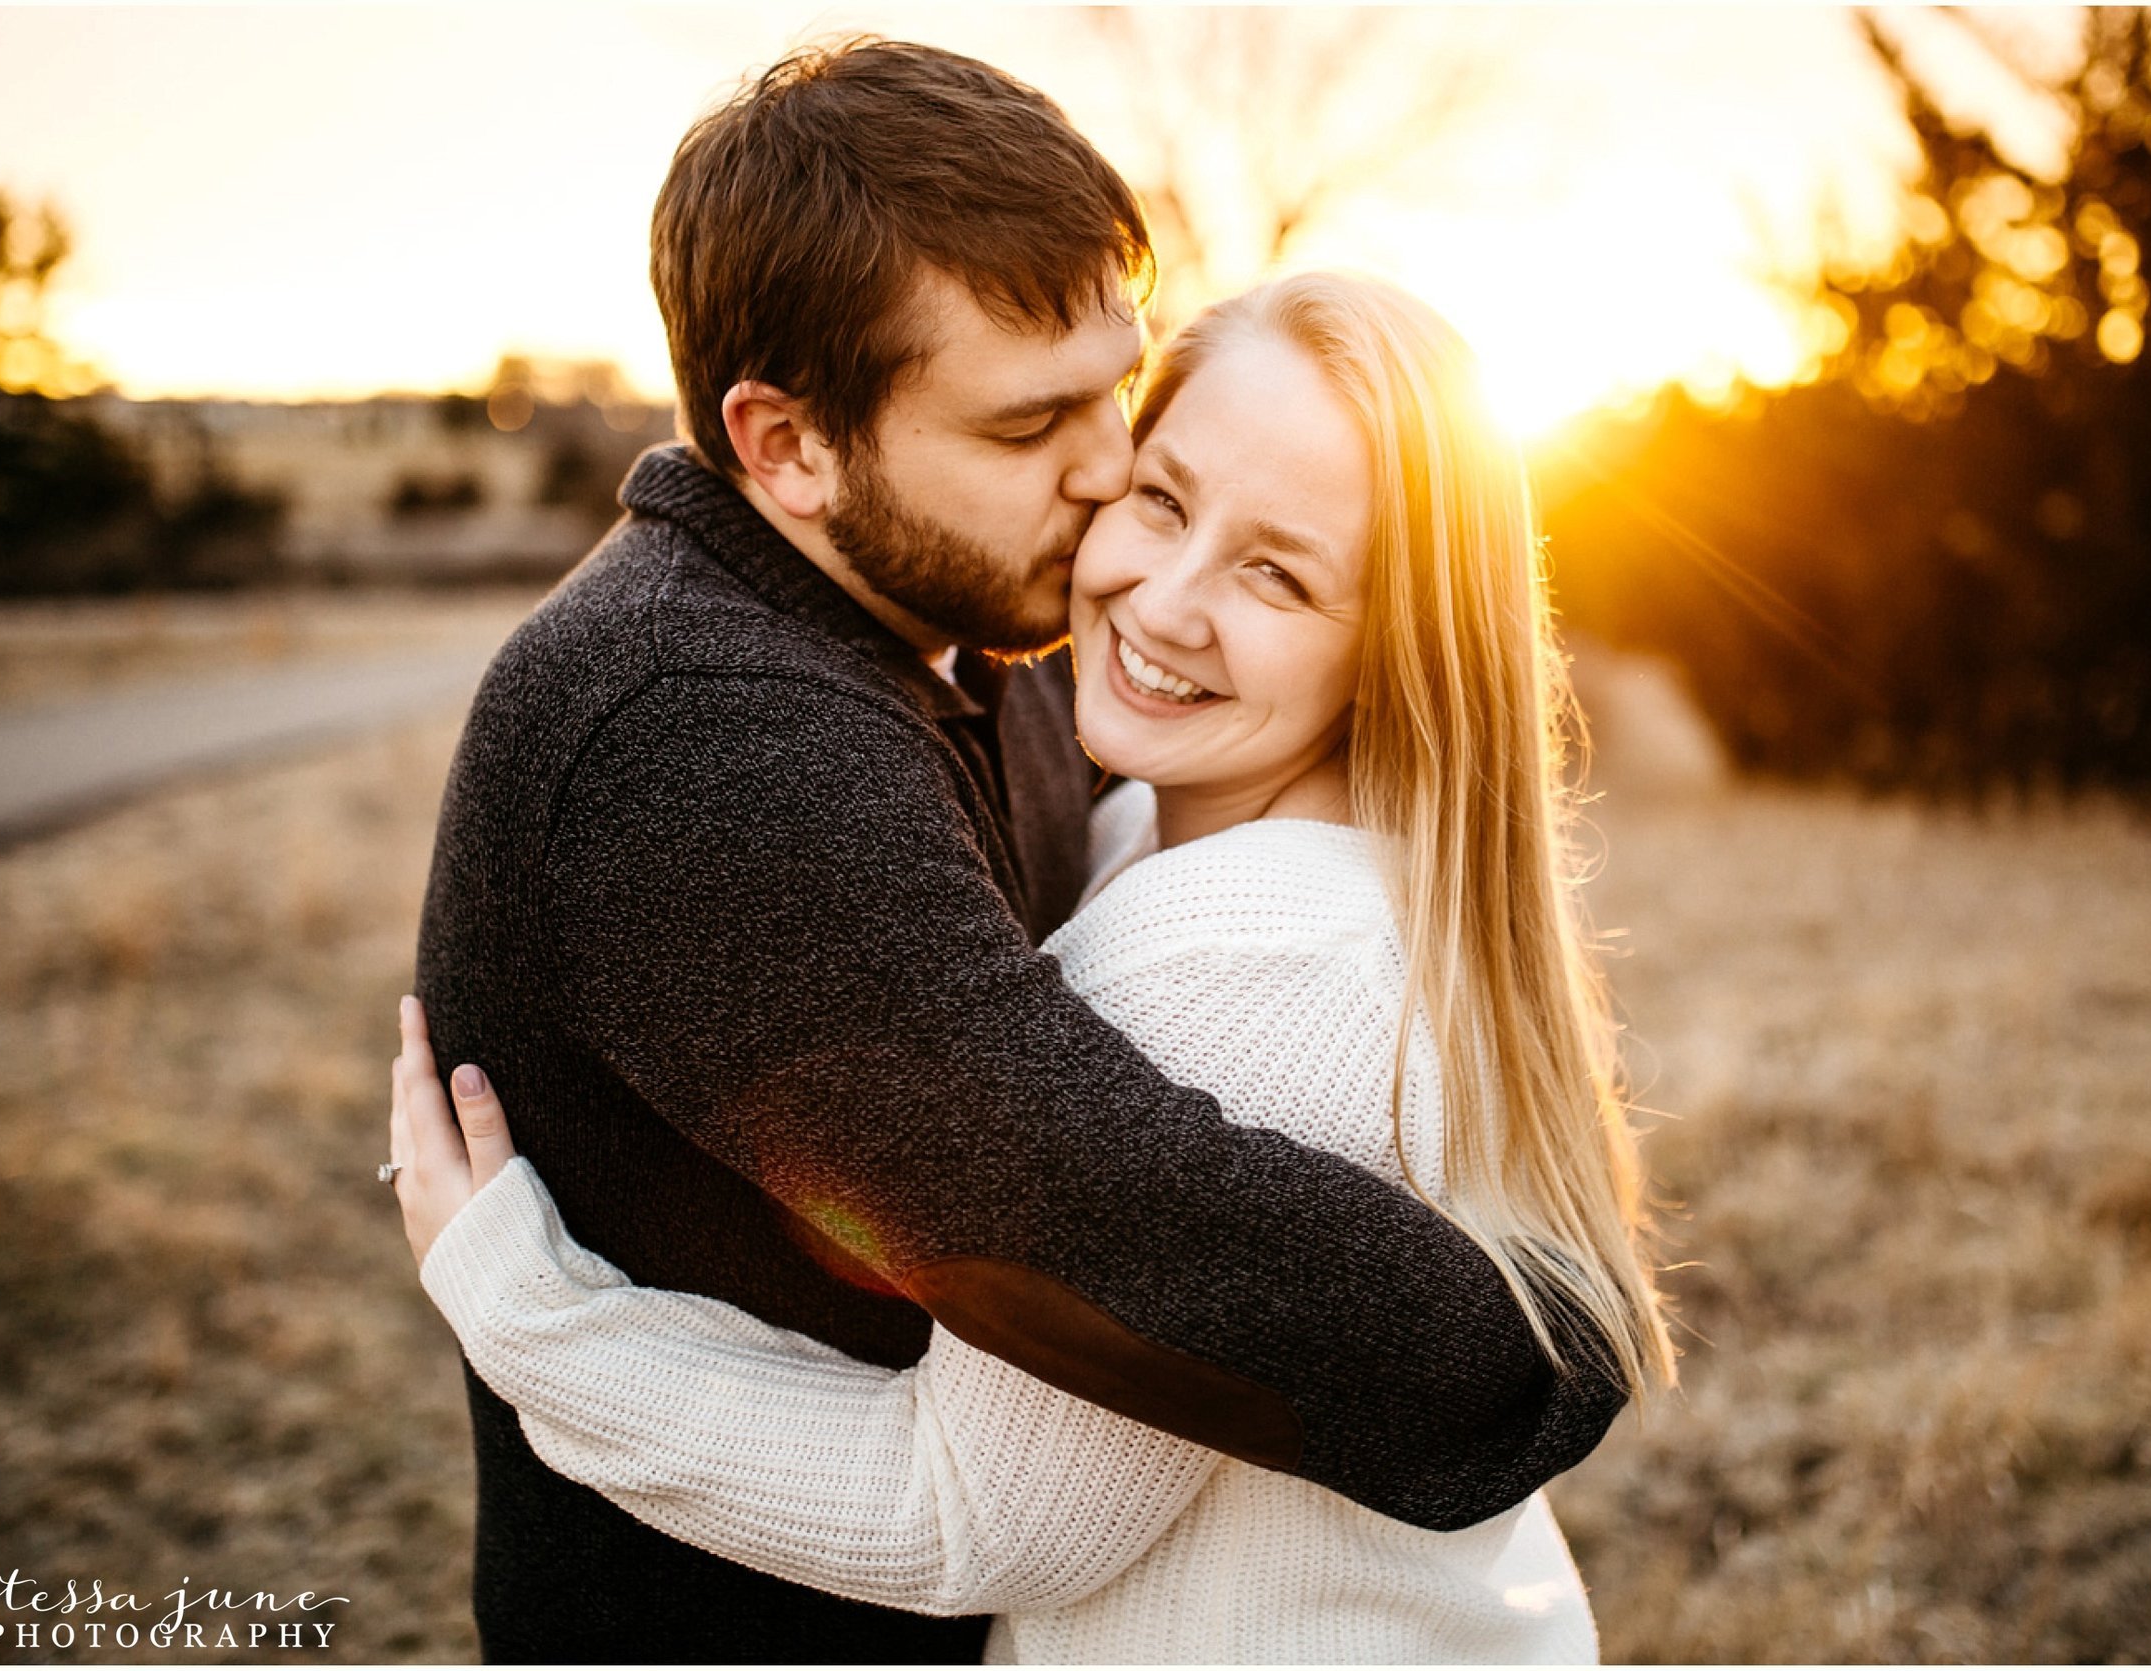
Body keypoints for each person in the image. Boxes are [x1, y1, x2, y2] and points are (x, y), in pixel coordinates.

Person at [404, 38, 1625, 1665]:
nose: (1111, 470)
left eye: (1117, 390)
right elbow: (1109, 1218)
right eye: (1031, 420)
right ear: (786, 446)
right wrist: (1534, 1353)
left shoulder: (991, 631)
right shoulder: (698, 737)